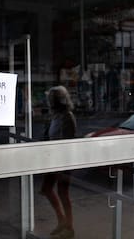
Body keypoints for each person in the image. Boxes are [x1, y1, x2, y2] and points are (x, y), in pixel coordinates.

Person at [41, 86, 76, 239]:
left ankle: (69, 227)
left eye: (51, 98)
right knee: (47, 189)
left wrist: (63, 168)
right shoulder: (55, 116)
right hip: (53, 159)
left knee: (63, 193)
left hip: (63, 160)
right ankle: (62, 221)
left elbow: (67, 142)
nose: (49, 101)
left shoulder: (67, 116)